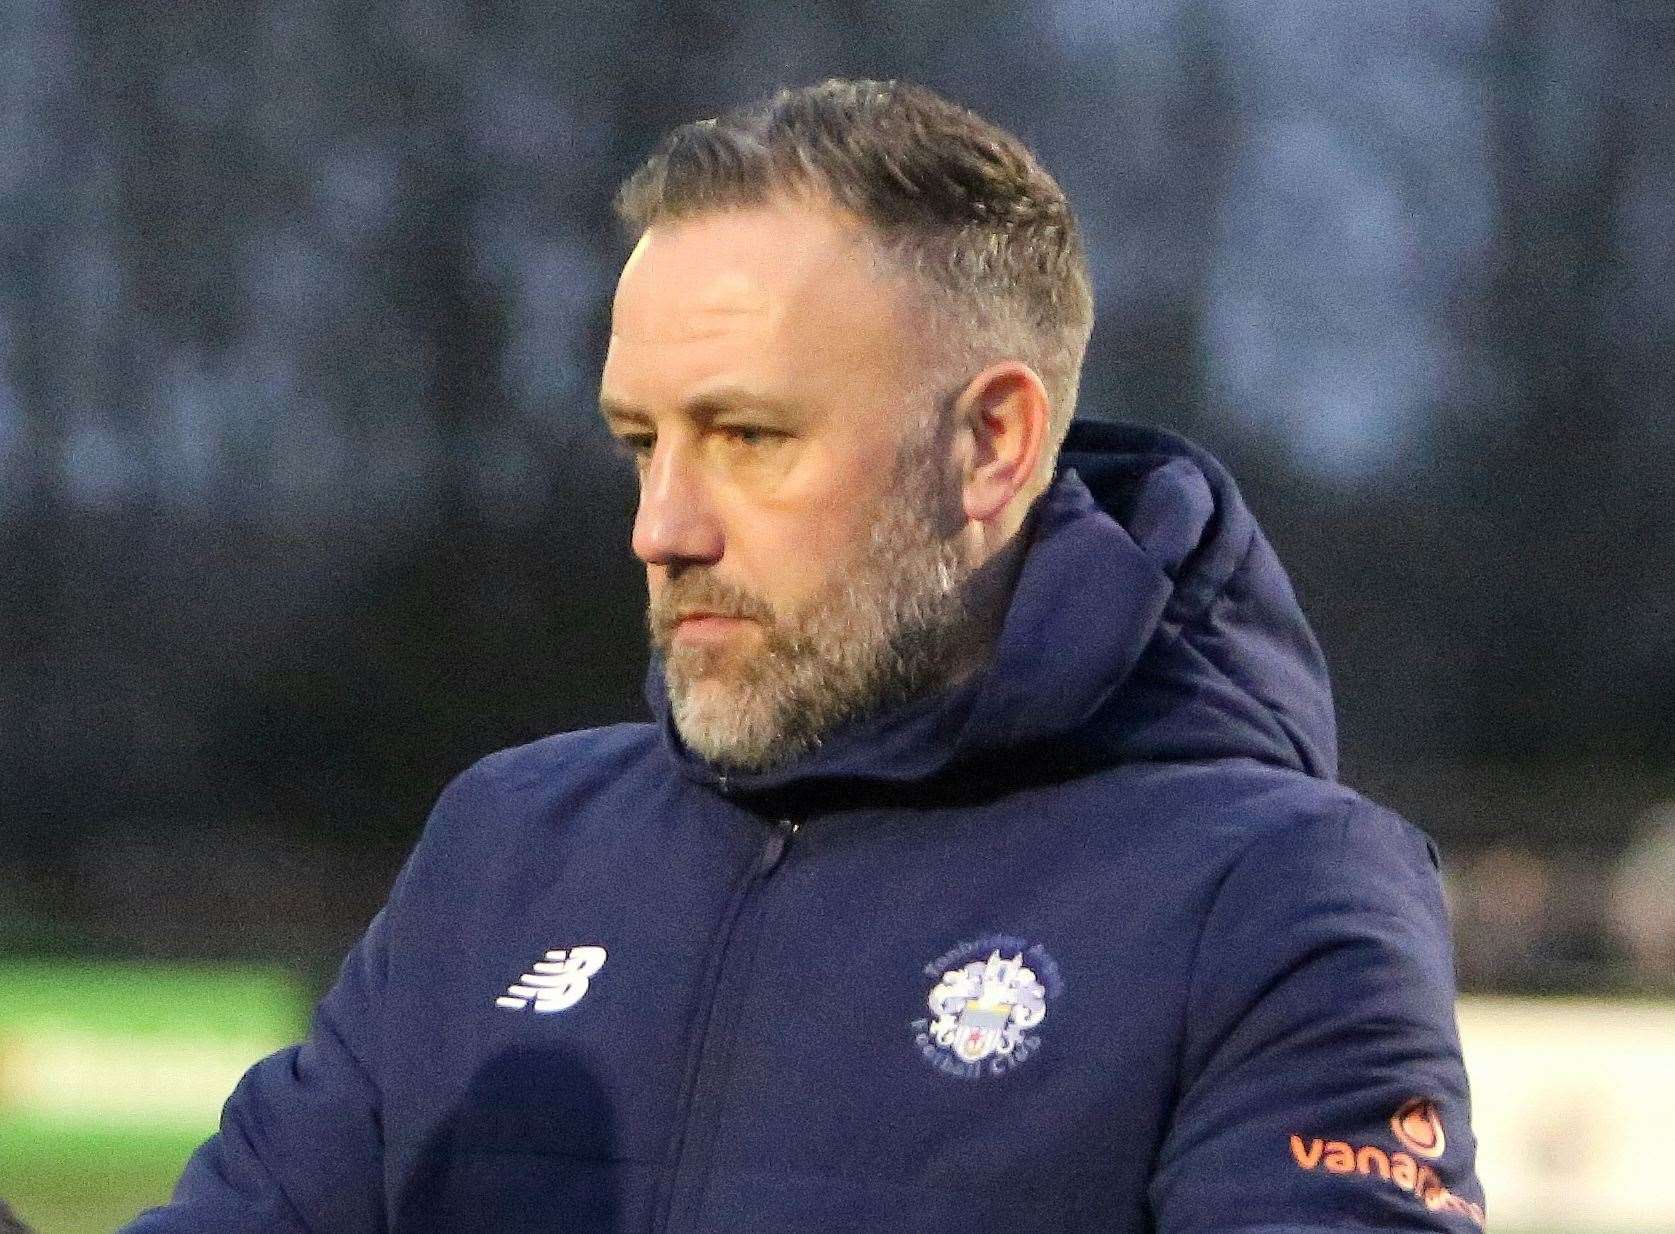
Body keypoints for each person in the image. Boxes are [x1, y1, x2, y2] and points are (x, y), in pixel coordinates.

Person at [123, 78, 1484, 1232]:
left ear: (991, 446)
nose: (662, 526)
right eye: (640, 443)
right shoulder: (506, 844)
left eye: (749, 436)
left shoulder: (1272, 892)